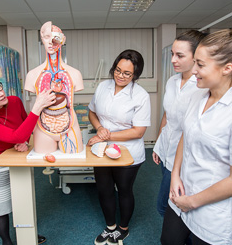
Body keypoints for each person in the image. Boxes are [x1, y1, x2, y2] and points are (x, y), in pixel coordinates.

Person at [161, 29, 232, 245]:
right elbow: (186, 134)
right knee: (168, 241)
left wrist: (192, 202)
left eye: (200, 65)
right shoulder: (198, 95)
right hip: (181, 193)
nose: (194, 72)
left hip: (209, 209)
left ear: (227, 68)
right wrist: (175, 174)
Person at [0, 75, 56, 245]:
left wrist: (23, 141)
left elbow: (25, 126)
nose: (0, 94)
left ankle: (27, 235)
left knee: (22, 201)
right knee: (0, 209)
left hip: (17, 159)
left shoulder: (15, 101)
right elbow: (17, 134)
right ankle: (6, 241)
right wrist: (37, 106)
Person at [87, 49, 151, 245]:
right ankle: (110, 227)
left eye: (127, 73)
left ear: (135, 75)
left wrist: (107, 135)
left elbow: (139, 131)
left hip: (128, 152)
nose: (120, 76)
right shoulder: (103, 87)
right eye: (117, 70)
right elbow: (92, 112)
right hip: (102, 149)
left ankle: (123, 229)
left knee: (124, 189)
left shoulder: (140, 95)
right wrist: (99, 128)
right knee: (104, 189)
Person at [152, 30, 207, 217]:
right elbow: (167, 115)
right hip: (166, 149)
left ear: (196, 57)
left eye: (180, 55)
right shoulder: (172, 81)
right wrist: (159, 143)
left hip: (184, 158)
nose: (173, 60)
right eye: (172, 54)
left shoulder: (202, 88)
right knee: (171, 206)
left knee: (167, 206)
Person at [25, 21, 84, 154]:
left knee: (73, 161)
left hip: (70, 125)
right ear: (42, 39)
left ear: (62, 40)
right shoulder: (32, 75)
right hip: (42, 127)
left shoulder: (75, 74)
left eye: (55, 38)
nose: (51, 42)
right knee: (42, 160)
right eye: (47, 37)